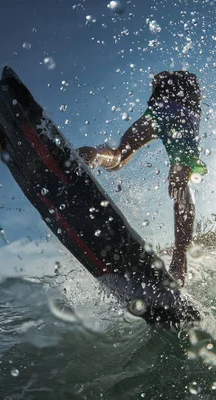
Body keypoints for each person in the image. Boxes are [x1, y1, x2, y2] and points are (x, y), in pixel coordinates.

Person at [77, 70, 208, 286]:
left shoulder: (164, 81)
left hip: (157, 111)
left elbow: (157, 83)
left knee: (119, 157)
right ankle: (179, 256)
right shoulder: (191, 90)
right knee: (180, 183)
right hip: (185, 115)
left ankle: (92, 155)